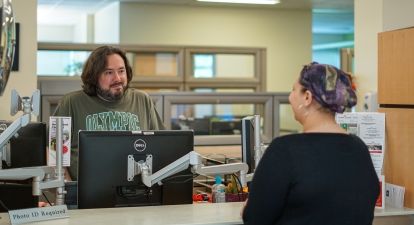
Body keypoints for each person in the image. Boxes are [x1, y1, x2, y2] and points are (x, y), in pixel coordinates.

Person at [242, 62, 379, 225]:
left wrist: (247, 209)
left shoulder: (284, 150)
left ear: (307, 97)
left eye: (294, 90)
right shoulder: (359, 148)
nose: (290, 96)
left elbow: (255, 218)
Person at [54, 45, 165, 181]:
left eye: (121, 71)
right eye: (109, 72)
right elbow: (54, 153)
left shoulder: (142, 100)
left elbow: (161, 146)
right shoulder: (71, 102)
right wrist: (70, 190)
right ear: (94, 76)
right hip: (85, 195)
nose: (117, 78)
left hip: (136, 192)